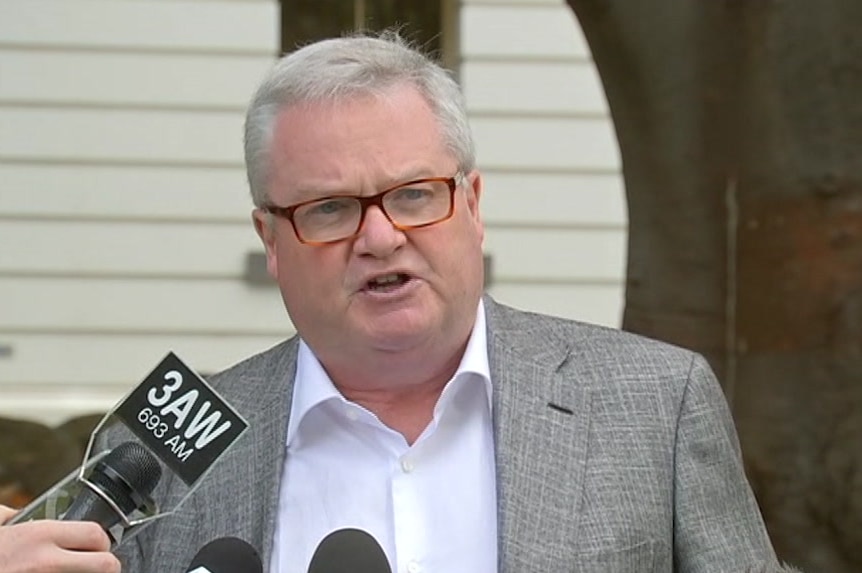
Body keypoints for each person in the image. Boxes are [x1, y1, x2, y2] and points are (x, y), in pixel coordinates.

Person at [2, 31, 783, 573]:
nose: (379, 237)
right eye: (331, 208)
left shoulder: (656, 404)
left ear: (473, 204)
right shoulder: (166, 454)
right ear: (270, 239)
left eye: (414, 194)